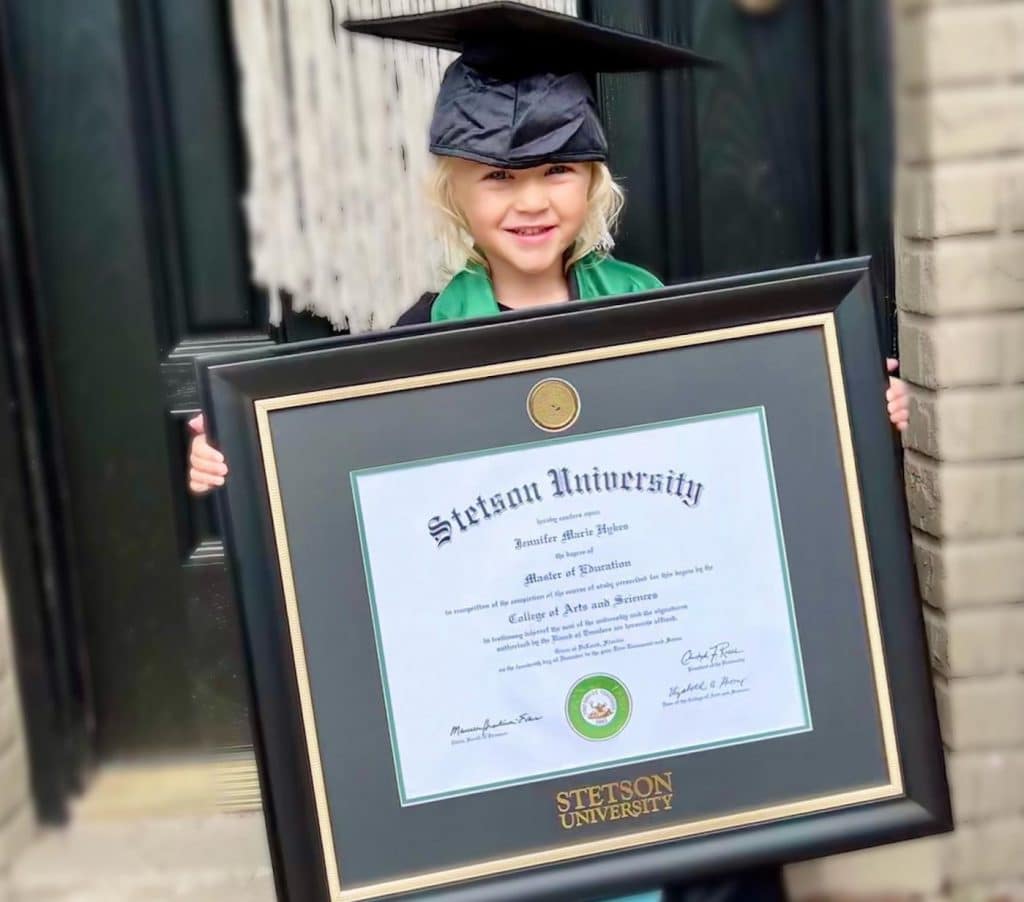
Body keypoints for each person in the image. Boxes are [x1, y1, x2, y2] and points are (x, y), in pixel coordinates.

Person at [187, 5, 909, 899]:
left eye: (559, 170)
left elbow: (742, 462)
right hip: (513, 678)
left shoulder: (652, 309)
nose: (531, 202)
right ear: (455, 190)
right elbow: (344, 515)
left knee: (714, 849)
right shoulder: (414, 343)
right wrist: (237, 467)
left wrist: (846, 405)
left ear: (594, 181)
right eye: (498, 176)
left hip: (650, 642)